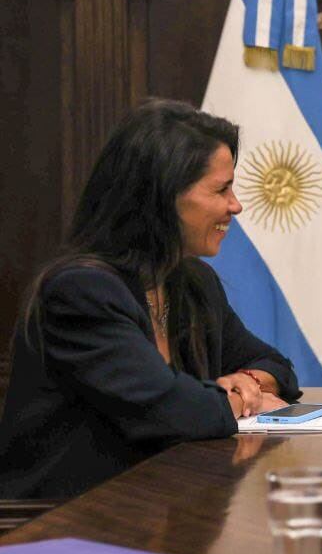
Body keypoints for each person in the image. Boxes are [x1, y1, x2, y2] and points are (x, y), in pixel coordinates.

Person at [0, 100, 300, 499]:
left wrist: (245, 382)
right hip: (61, 527)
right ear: (163, 198)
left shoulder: (193, 283)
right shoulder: (78, 291)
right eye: (221, 189)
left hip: (155, 506)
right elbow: (168, 408)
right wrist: (233, 399)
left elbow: (277, 366)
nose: (236, 205)